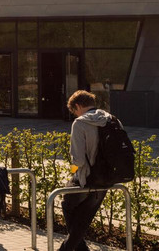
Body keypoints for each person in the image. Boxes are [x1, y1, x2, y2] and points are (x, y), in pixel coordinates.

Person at [60, 90, 112, 251]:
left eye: (74, 112)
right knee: (83, 219)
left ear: (78, 106)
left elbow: (78, 160)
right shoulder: (111, 119)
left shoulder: (80, 123)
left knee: (67, 205)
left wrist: (72, 170)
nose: (75, 115)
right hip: (107, 178)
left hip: (86, 178)